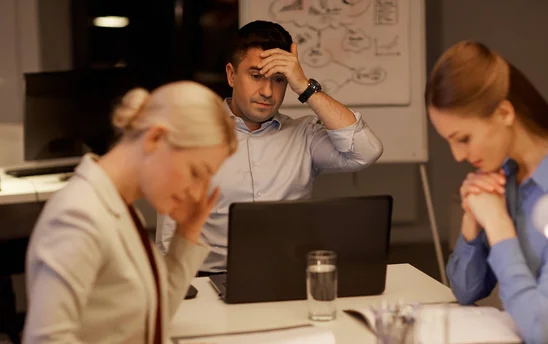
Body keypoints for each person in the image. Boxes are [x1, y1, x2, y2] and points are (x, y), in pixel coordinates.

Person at [13, 81, 237, 344]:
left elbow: (154, 314)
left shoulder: (121, 206)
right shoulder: (80, 215)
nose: (198, 192)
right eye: (195, 172)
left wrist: (188, 231)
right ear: (156, 138)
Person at [426, 40, 548, 344]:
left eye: (463, 138)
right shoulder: (507, 176)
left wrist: (498, 225)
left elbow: (538, 328)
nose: (458, 156)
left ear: (504, 112)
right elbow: (465, 292)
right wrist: (472, 222)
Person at [156, 20, 384, 272]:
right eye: (256, 76)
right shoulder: (191, 136)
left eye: (279, 79)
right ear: (232, 75)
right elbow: (169, 237)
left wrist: (305, 87)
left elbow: (365, 151)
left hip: (288, 273)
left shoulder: (304, 134)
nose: (267, 91)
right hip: (212, 278)